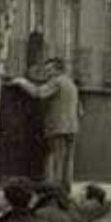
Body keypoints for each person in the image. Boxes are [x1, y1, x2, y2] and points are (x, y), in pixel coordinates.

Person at [11, 57, 81, 193]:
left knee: (57, 158)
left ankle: (55, 190)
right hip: (72, 126)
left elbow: (39, 93)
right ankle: (66, 188)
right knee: (68, 159)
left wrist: (22, 82)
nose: (47, 73)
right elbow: (80, 108)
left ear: (57, 70)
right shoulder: (71, 83)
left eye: (50, 70)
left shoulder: (56, 82)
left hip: (58, 126)